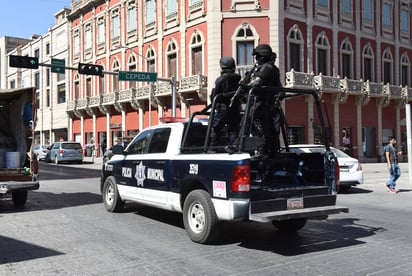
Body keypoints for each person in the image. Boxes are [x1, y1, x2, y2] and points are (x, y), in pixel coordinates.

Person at [243, 44, 282, 157]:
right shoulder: (263, 69)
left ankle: (240, 143)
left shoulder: (268, 68)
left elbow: (257, 82)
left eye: (258, 57)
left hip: (266, 103)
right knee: (266, 129)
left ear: (263, 57)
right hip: (264, 103)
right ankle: (266, 150)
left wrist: (247, 86)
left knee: (248, 120)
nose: (256, 59)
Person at [210, 56, 241, 148]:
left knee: (216, 128)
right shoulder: (238, 78)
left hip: (222, 108)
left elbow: (214, 94)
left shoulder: (220, 79)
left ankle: (212, 148)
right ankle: (232, 147)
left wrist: (215, 104)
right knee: (233, 129)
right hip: (235, 107)